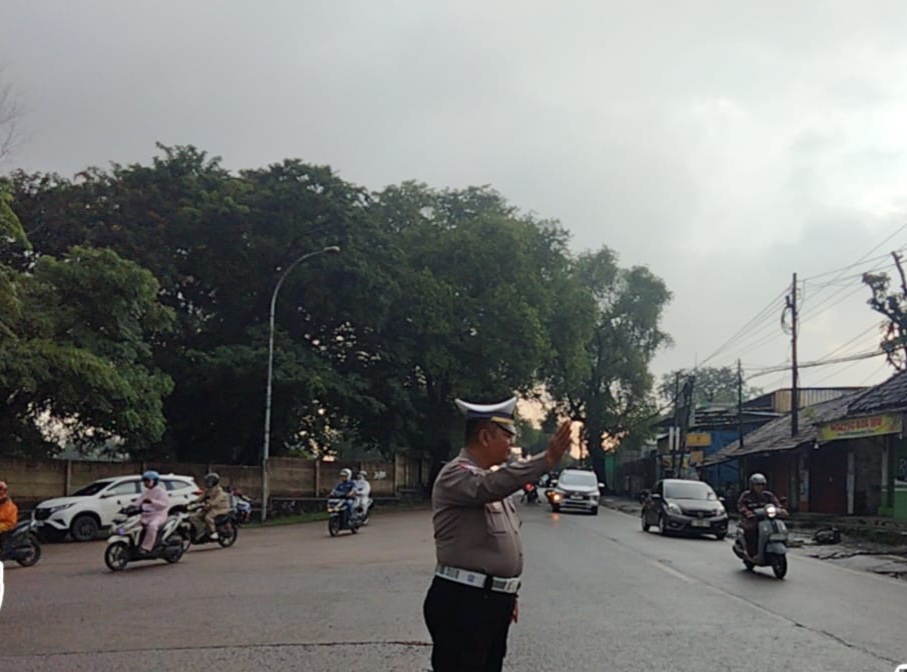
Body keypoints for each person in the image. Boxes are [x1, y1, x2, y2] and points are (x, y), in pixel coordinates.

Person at [423, 397, 572, 672]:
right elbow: (489, 486)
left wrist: (507, 591)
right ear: (484, 437)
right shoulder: (456, 475)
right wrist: (545, 460)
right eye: (506, 436)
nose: (510, 443)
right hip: (464, 600)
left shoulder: (490, 479)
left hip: (490, 600)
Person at [737, 473, 786, 558]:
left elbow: (776, 504)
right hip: (752, 519)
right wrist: (747, 512)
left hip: (767, 519)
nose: (759, 487)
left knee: (778, 527)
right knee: (751, 530)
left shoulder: (768, 495)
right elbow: (740, 505)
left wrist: (781, 510)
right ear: (752, 485)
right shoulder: (746, 495)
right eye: (757, 484)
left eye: (762, 484)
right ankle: (752, 552)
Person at [134, 471, 170, 554]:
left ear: (154, 481)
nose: (145, 483)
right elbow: (138, 502)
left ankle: (146, 547)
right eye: (144, 481)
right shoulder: (146, 492)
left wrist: (152, 501)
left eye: (148, 481)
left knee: (152, 526)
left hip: (158, 516)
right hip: (145, 515)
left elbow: (164, 504)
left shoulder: (161, 492)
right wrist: (130, 508)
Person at [191, 472, 231, 540]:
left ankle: (213, 532)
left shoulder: (219, 490)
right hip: (209, 508)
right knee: (194, 517)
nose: (207, 483)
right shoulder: (208, 490)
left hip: (220, 508)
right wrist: (193, 502)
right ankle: (201, 531)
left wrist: (210, 504)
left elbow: (217, 500)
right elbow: (201, 497)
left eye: (209, 482)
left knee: (208, 517)